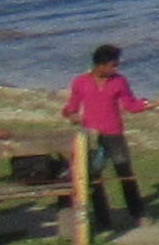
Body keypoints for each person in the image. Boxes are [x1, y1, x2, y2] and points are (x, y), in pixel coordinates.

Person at [64, 45, 151, 233]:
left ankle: (137, 213)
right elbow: (71, 107)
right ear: (101, 65)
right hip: (92, 136)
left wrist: (148, 104)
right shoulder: (80, 82)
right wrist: (71, 115)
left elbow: (130, 105)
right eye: (113, 65)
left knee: (125, 173)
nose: (116, 69)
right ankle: (103, 219)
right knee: (94, 177)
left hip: (114, 133)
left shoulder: (120, 81)